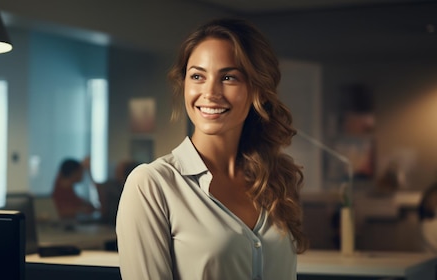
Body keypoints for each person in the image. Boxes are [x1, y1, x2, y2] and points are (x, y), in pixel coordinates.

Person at [116, 18, 308, 280]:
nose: (210, 92)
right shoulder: (152, 185)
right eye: (197, 76)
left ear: (258, 90)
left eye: (228, 77)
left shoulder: (275, 181)